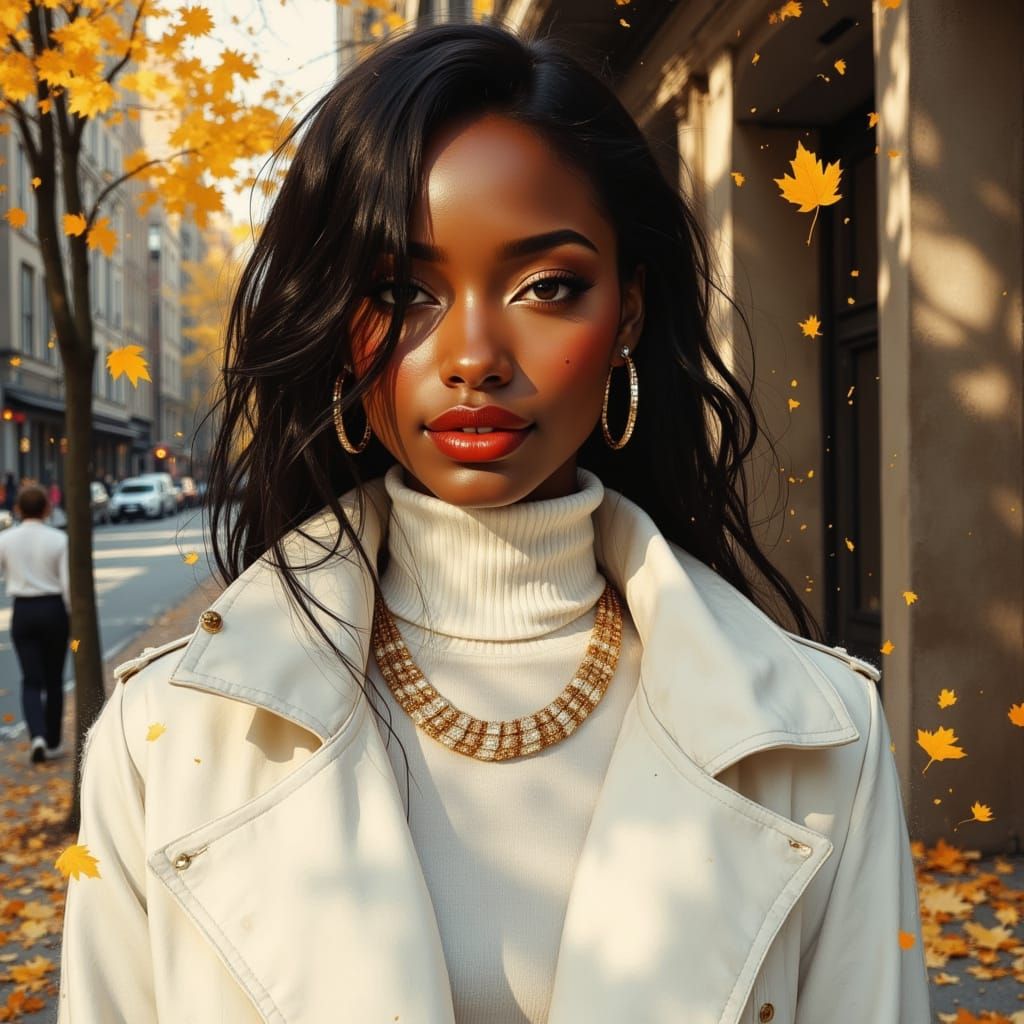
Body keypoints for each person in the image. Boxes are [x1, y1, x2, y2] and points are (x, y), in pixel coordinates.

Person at [58, 22, 930, 1023]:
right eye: (398, 291)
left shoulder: (824, 739)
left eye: (546, 286)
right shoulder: (164, 737)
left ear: (629, 314)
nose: (473, 353)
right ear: (337, 323)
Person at [0, 484, 70, 763]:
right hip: (53, 608)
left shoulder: (5, 539)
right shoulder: (58, 539)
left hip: (23, 610)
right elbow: (67, 584)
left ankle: (36, 735)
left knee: (30, 679)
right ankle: (53, 740)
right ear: (47, 508)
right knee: (54, 680)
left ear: (18, 509)